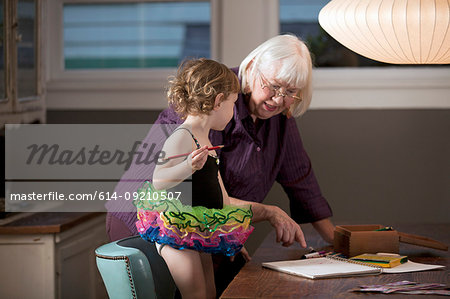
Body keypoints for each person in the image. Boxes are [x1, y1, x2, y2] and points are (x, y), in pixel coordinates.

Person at [106, 34, 334, 295]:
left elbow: (301, 180)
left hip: (200, 218)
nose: (279, 99)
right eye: (273, 86)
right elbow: (189, 189)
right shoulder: (213, 95)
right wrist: (258, 216)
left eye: (291, 92)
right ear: (251, 69)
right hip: (151, 220)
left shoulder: (279, 117)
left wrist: (338, 242)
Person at [134, 58, 254, 299]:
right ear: (219, 101)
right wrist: (188, 166)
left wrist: (233, 237)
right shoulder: (182, 136)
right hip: (176, 229)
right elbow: (159, 180)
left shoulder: (205, 138)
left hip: (198, 227)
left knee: (209, 292)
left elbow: (221, 196)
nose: (233, 112)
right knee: (196, 294)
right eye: (233, 103)